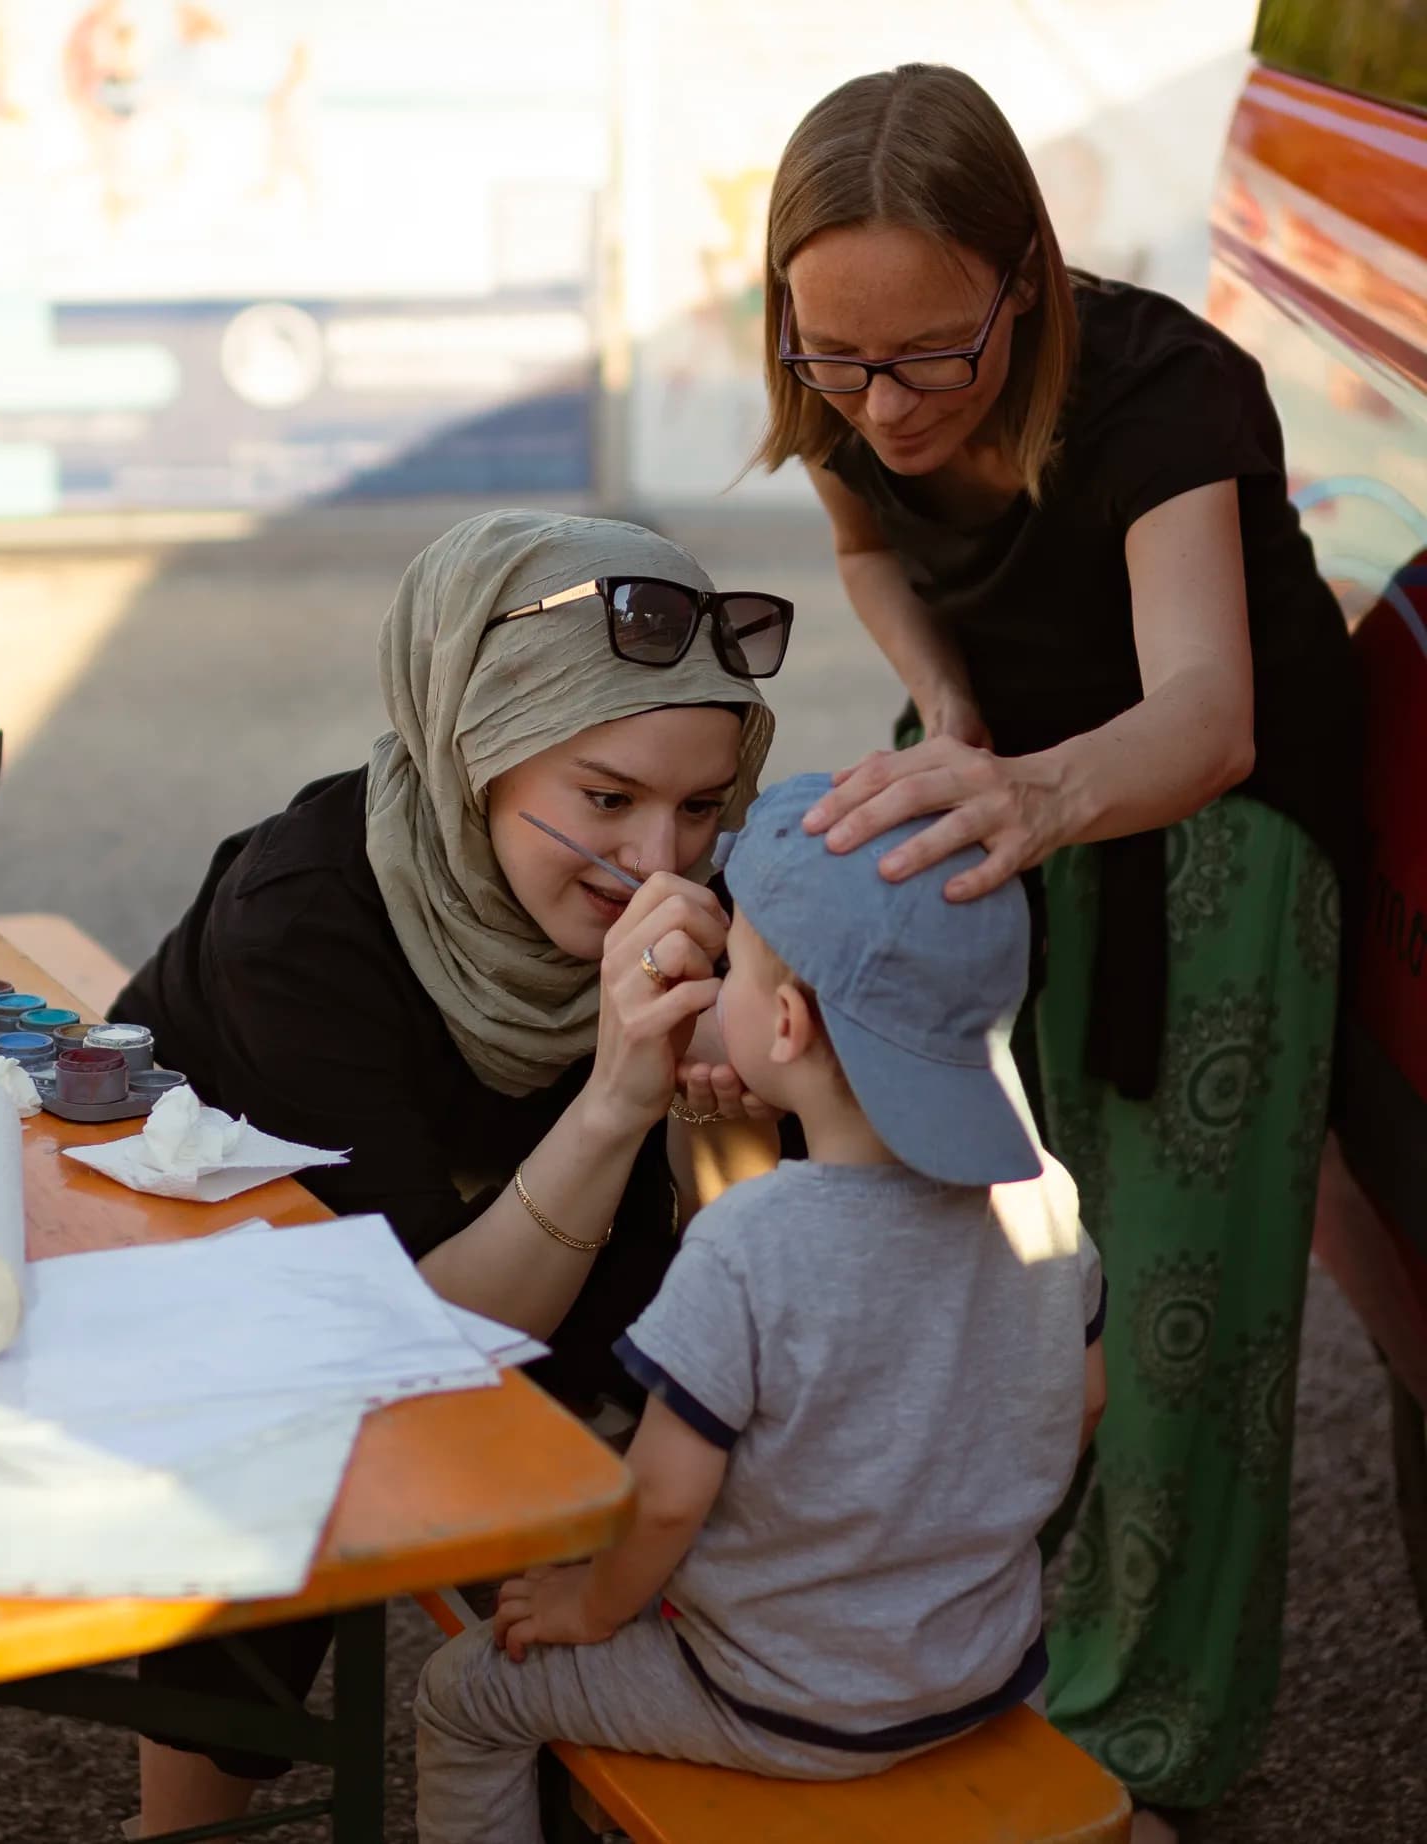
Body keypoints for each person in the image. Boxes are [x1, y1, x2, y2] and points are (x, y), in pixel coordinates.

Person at [751, 64, 1361, 1838]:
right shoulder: (836, 352)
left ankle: (1142, 1741)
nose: (882, 402)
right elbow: (872, 546)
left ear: (1027, 278)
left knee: (1183, 1309)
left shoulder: (1168, 390)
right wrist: (951, 704)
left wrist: (1023, 789)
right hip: (1016, 786)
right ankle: (1026, 1632)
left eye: (933, 355)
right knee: (1023, 1251)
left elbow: (1208, 714)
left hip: (1208, 839)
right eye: (836, 360)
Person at [108, 508, 791, 1833]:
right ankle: (182, 1816)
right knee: (299, 1436)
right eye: (605, 798)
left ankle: (649, 1728)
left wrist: (731, 1108)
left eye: (702, 806)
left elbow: (772, 1269)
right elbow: (419, 1343)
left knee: (692, 1400)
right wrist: (616, 1098)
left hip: (499, 1208)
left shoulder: (714, 901)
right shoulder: (301, 929)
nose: (657, 863)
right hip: (240, 1212)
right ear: (472, 752)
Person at [412, 773, 1106, 1844]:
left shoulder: (750, 1241)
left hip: (778, 1700)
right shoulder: (1048, 1203)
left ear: (781, 1020)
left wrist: (585, 1606)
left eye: (733, 960)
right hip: (981, 1666)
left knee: (468, 1690)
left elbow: (665, 1501)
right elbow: (1081, 1403)